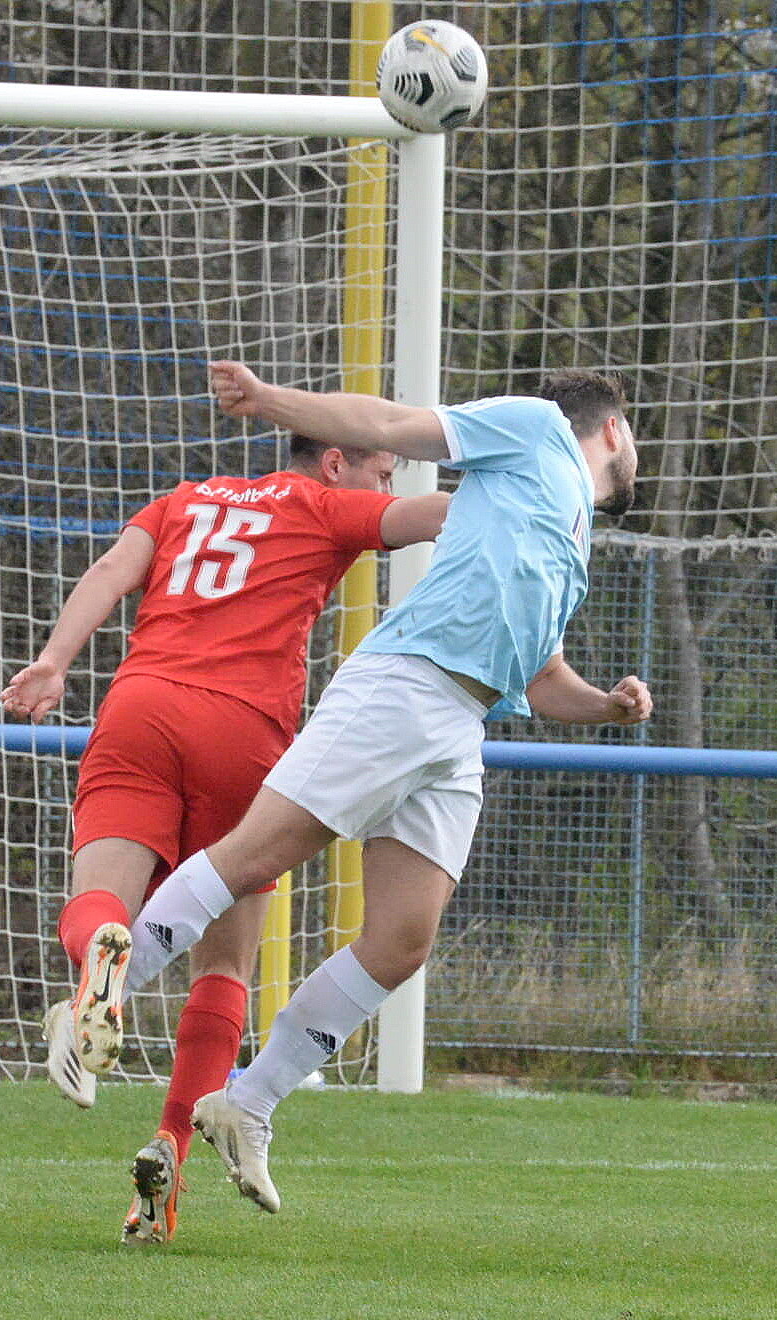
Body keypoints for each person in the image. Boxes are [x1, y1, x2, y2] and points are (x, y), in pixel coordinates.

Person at [102, 360, 652, 1219]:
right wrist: (269, 400)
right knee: (255, 855)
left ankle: (248, 1102)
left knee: (401, 940)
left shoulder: (568, 527)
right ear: (612, 428)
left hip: (461, 724)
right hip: (406, 684)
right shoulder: (538, 428)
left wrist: (607, 705)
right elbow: (392, 427)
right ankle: (106, 989)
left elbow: (543, 679)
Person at [6, 433, 448, 1246]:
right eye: (382, 469)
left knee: (101, 899)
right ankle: (170, 1147)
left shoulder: (182, 500)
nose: (388, 485)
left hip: (140, 706)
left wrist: (53, 662)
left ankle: (99, 956)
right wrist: (537, 488)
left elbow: (111, 571)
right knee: (225, 964)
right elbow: (439, 517)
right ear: (335, 462)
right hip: (243, 731)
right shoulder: (323, 507)